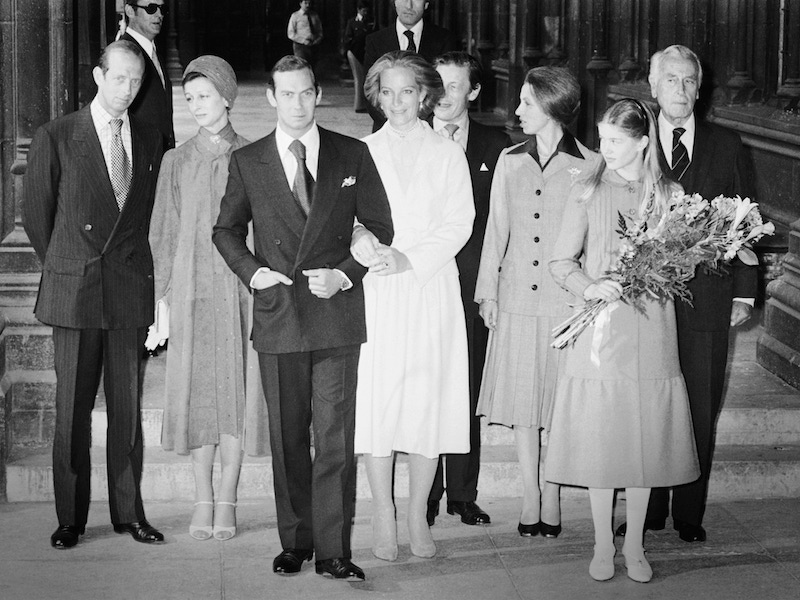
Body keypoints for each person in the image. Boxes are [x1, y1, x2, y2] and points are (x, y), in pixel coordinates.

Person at [212, 55, 393, 581]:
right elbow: (225, 230)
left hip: (336, 311)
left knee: (335, 436)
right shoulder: (249, 161)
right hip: (281, 313)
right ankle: (296, 541)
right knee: (290, 436)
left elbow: (379, 223)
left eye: (305, 93)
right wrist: (252, 273)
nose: (297, 104)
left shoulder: (350, 152)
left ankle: (334, 550)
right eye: (286, 94)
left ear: (317, 94)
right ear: (271, 97)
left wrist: (345, 273)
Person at [546, 98, 701, 583]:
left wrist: (673, 263)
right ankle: (600, 542)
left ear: (641, 142)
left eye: (614, 141)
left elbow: (684, 261)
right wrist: (590, 286)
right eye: (601, 139)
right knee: (602, 439)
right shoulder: (587, 189)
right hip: (602, 329)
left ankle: (634, 543)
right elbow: (560, 261)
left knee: (641, 441)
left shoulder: (669, 194)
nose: (604, 148)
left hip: (652, 328)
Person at [22, 40, 165, 549]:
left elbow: (149, 217)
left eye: (136, 81)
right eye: (119, 78)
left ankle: (129, 513)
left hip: (127, 289)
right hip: (76, 290)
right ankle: (71, 517)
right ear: (98, 77)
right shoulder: (57, 135)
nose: (127, 89)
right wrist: (70, 266)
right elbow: (38, 219)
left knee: (126, 412)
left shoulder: (150, 138)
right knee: (72, 411)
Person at [615, 44, 757, 544]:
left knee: (700, 402)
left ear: (701, 87)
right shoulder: (633, 141)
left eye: (689, 81)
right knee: (649, 400)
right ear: (652, 87)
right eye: (670, 80)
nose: (680, 89)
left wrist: (745, 295)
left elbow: (747, 223)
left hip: (710, 300)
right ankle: (649, 507)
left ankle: (689, 512)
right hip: (646, 299)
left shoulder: (727, 143)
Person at [351, 50, 474, 561]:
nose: (398, 102)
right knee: (379, 402)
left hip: (427, 288)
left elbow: (459, 223)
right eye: (387, 91)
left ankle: (417, 513)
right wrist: (358, 240)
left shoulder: (447, 153)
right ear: (375, 97)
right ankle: (383, 512)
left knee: (427, 402)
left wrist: (409, 258)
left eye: (408, 91)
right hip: (378, 290)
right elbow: (345, 216)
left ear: (425, 95)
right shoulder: (359, 151)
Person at [474, 66, 598, 539]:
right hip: (516, 300)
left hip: (566, 305)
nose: (518, 110)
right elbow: (496, 231)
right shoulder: (509, 160)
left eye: (526, 102)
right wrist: (488, 292)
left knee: (557, 406)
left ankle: (552, 494)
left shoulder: (591, 164)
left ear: (551, 106)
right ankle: (530, 495)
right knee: (525, 407)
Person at [148, 56, 266, 542]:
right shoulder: (177, 161)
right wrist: (162, 299)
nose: (196, 106)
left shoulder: (255, 157)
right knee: (199, 392)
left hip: (239, 292)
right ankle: (202, 496)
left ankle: (230, 497)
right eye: (189, 98)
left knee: (236, 391)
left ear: (227, 97)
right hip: (194, 289)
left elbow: (266, 229)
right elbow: (164, 230)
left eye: (204, 96)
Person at [425, 51, 511, 528]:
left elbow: (504, 223)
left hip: (472, 285)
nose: (442, 95)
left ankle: (462, 491)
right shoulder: (412, 139)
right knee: (429, 385)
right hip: (424, 282)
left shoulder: (497, 147)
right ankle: (426, 491)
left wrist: (493, 286)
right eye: (436, 84)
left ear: (473, 92)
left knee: (468, 385)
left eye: (454, 86)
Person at [362, 0, 458, 131]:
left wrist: (419, 128)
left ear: (426, 4)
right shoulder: (375, 41)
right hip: (386, 130)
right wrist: (396, 126)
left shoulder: (445, 39)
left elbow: (444, 91)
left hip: (430, 131)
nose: (409, 6)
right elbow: (370, 94)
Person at [120, 0, 174, 150]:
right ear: (130, 11)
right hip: (140, 156)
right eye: (151, 8)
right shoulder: (123, 52)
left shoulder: (153, 52)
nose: (159, 15)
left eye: (162, 9)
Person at [344, 1, 374, 112]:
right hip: (354, 53)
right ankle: (359, 105)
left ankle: (365, 104)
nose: (365, 12)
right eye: (363, 10)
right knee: (358, 79)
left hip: (365, 54)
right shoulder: (352, 22)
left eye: (367, 10)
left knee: (366, 79)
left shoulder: (371, 21)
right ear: (359, 10)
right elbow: (347, 38)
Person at [287, 1, 323, 69]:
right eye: (305, 3)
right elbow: (290, 33)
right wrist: (304, 41)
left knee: (312, 67)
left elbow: (319, 31)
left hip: (314, 45)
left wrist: (318, 40)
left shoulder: (314, 15)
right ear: (300, 3)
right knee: (302, 67)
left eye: (309, 3)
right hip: (300, 46)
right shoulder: (295, 15)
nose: (308, 5)